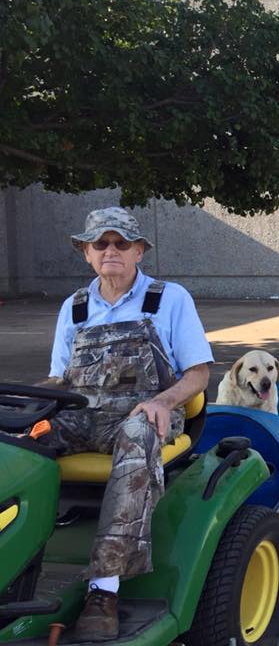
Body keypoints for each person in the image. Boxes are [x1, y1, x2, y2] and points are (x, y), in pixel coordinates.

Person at [40, 207, 213, 641]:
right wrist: (32, 409)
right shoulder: (74, 307)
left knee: (137, 435)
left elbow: (198, 373)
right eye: (101, 243)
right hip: (84, 414)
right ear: (86, 253)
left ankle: (105, 590)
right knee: (17, 441)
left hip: (146, 413)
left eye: (121, 243)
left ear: (139, 250)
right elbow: (59, 378)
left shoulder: (169, 298)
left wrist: (162, 401)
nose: (110, 251)